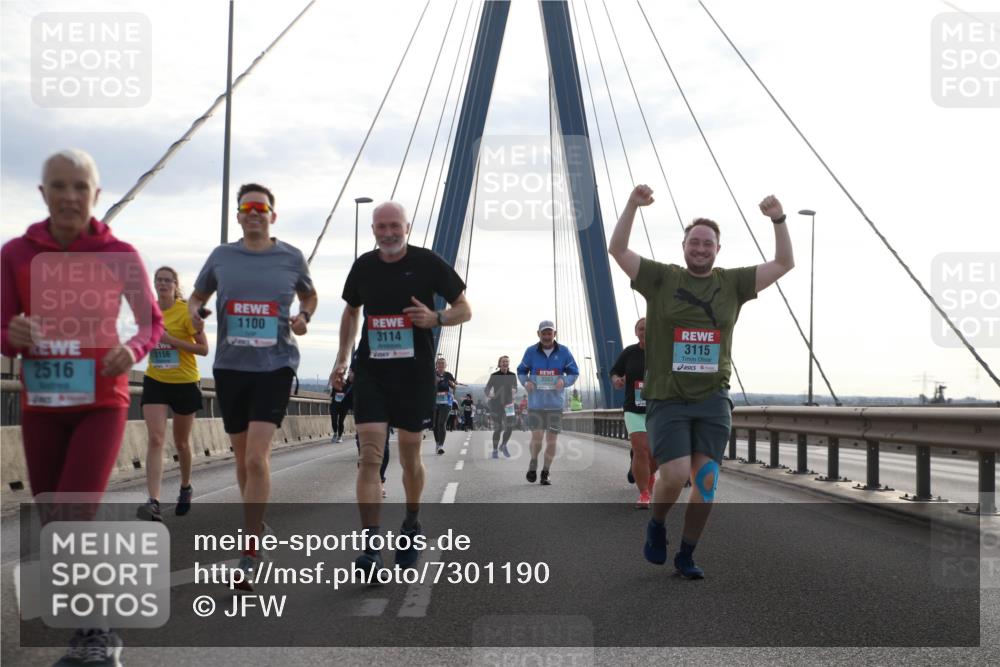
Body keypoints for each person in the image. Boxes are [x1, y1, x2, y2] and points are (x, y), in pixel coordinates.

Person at [1, 148, 163, 666]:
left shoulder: (121, 254)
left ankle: (98, 634)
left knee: (74, 511)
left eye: (80, 186)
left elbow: (151, 323)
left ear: (96, 195)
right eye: (59, 185)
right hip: (44, 403)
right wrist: (14, 333)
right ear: (43, 193)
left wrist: (133, 349)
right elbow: (1, 331)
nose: (70, 195)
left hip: (101, 401)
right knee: (54, 518)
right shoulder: (15, 254)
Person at [609, 183, 793, 579]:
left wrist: (778, 219)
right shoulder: (662, 278)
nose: (701, 248)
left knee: (706, 485)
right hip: (669, 399)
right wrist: (632, 206)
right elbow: (618, 250)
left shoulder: (732, 283)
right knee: (674, 476)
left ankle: (687, 555)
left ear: (717, 250)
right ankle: (657, 524)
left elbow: (783, 263)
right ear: (684, 246)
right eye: (695, 242)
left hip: (712, 399)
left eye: (708, 243)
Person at [188, 182, 317, 591]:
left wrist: (303, 317)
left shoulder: (291, 257)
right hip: (230, 367)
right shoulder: (222, 257)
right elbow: (196, 296)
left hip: (275, 366)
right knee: (243, 460)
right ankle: (255, 522)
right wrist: (195, 312)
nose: (255, 213)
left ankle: (250, 551)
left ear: (272, 216)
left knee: (258, 460)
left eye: (262, 207)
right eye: (248, 207)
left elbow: (309, 297)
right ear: (239, 215)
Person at [331, 201, 470, 576]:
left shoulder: (427, 263)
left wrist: (436, 317)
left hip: (414, 375)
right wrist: (342, 359)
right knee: (370, 456)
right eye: (381, 227)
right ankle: (371, 547)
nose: (387, 233)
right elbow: (350, 311)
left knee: (410, 456)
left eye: (394, 226)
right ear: (373, 230)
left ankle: (411, 523)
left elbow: (464, 308)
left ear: (407, 227)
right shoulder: (363, 265)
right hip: (372, 373)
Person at [139, 266, 209, 521]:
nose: (163, 284)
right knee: (156, 439)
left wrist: (171, 340)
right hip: (156, 379)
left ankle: (185, 486)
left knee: (181, 442)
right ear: (154, 284)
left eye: (168, 280)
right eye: (159, 280)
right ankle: (153, 501)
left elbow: (203, 349)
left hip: (184, 382)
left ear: (176, 285)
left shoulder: (187, 312)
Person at [516, 320, 579, 486]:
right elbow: (521, 370)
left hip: (555, 405)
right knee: (537, 438)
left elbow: (574, 372)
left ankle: (545, 472)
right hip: (536, 404)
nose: (546, 336)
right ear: (538, 334)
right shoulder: (531, 352)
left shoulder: (564, 352)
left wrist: (564, 381)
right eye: (543, 333)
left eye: (549, 333)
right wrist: (526, 382)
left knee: (552, 440)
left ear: (554, 334)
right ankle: (533, 461)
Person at [610, 317, 655, 509]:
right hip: (634, 408)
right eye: (641, 329)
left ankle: (647, 473)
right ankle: (644, 493)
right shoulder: (629, 352)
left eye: (648, 328)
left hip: (658, 408)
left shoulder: (664, 351)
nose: (644, 331)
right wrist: (617, 380)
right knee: (640, 448)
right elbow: (614, 372)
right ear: (636, 332)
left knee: (654, 453)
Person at [485, 355, 518, 458]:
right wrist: (490, 395)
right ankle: (495, 450)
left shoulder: (513, 375)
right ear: (499, 364)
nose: (505, 363)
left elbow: (515, 387)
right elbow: (487, 388)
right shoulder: (494, 375)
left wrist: (514, 391)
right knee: (498, 428)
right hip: (496, 405)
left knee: (510, 426)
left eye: (507, 362)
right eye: (503, 361)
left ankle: (503, 445)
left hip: (508, 403)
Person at [432, 357, 457, 454]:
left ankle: (441, 446)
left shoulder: (449, 375)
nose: (441, 365)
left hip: (446, 402)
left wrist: (453, 385)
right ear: (436, 365)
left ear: (446, 365)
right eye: (439, 363)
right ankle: (437, 443)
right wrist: (435, 382)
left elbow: (454, 387)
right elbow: (428, 386)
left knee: (441, 423)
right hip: (434, 401)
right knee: (435, 424)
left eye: (443, 363)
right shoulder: (433, 374)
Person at [329, 367, 353, 443]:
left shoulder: (347, 382)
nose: (341, 375)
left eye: (343, 373)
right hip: (335, 403)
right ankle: (335, 433)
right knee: (333, 419)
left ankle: (340, 436)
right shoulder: (335, 381)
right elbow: (331, 381)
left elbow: (351, 379)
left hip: (344, 405)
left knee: (341, 421)